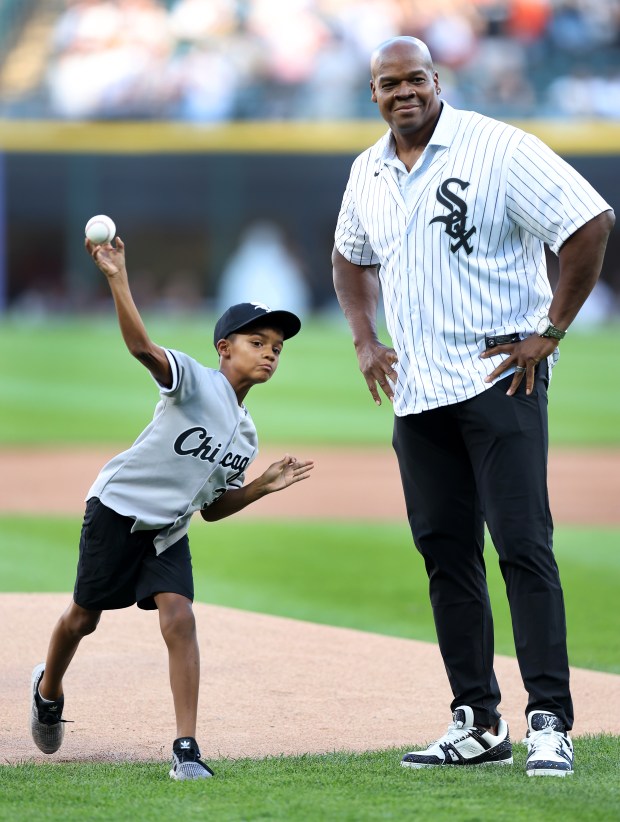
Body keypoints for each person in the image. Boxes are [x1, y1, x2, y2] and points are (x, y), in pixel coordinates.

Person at [332, 36, 615, 777]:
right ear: (373, 93)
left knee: (523, 544)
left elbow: (589, 222)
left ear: (437, 79)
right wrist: (365, 339)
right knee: (446, 555)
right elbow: (348, 254)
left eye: (416, 79)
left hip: (501, 381)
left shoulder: (498, 147)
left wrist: (550, 329)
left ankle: (550, 720)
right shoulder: (366, 170)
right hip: (419, 393)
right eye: (389, 83)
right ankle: (476, 720)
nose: (404, 93)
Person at [30, 235, 314, 781]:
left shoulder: (247, 436)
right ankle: (48, 690)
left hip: (167, 532)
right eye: (259, 341)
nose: (271, 352)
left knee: (180, 618)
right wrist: (117, 277)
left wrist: (258, 487)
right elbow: (142, 348)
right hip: (116, 510)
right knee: (83, 617)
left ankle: (186, 748)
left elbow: (210, 510)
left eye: (278, 345)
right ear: (224, 347)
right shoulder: (192, 382)